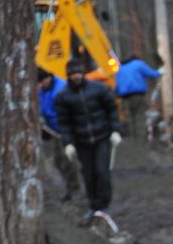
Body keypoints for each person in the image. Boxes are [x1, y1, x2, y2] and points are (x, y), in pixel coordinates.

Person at [53, 57, 124, 226]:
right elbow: (65, 123)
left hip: (102, 138)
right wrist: (68, 143)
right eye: (72, 74)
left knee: (102, 172)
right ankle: (93, 206)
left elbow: (112, 109)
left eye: (78, 72)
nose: (76, 76)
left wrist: (115, 130)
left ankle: (104, 205)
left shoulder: (99, 89)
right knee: (88, 174)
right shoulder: (63, 97)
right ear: (68, 76)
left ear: (83, 73)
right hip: (82, 141)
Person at [37, 71, 78, 202]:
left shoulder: (61, 88)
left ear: (48, 77)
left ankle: (74, 187)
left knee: (66, 160)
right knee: (58, 161)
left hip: (65, 129)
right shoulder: (43, 90)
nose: (41, 84)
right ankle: (70, 186)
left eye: (43, 81)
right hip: (54, 130)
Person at [116, 56, 164, 139]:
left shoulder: (120, 69)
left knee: (130, 119)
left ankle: (133, 140)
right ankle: (140, 140)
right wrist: (160, 72)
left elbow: (117, 86)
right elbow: (151, 74)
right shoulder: (138, 64)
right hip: (137, 96)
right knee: (139, 117)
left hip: (124, 98)